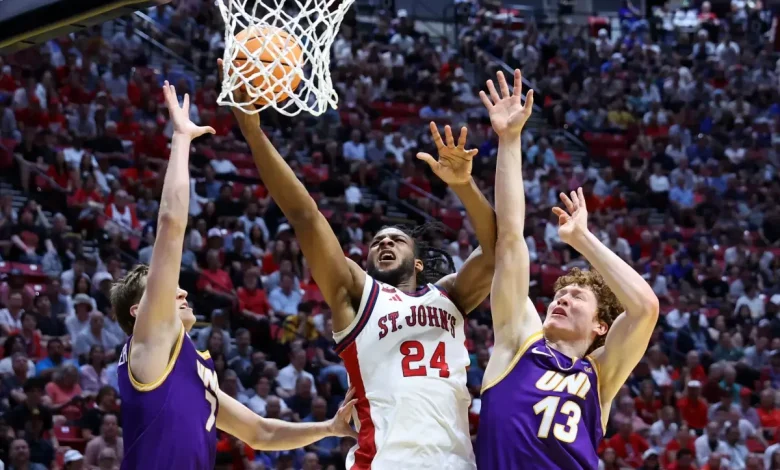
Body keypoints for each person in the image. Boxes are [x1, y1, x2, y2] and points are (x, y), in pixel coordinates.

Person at [221, 55, 496, 469]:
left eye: (396, 240)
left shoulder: (451, 296)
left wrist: (465, 186)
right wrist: (253, 132)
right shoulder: (359, 295)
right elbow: (305, 216)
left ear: (419, 263)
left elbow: (500, 250)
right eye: (377, 241)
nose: (384, 242)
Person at [111, 82, 357, 470]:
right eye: (165, 289)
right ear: (140, 311)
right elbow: (172, 224)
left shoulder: (190, 364)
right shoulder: (151, 339)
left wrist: (330, 427)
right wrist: (181, 139)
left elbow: (260, 432)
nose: (180, 289)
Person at [475, 70, 660, 469]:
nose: (563, 298)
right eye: (561, 294)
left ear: (600, 327)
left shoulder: (600, 377)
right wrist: (509, 140)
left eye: (578, 297)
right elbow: (509, 238)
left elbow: (645, 308)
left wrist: (581, 240)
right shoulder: (516, 342)